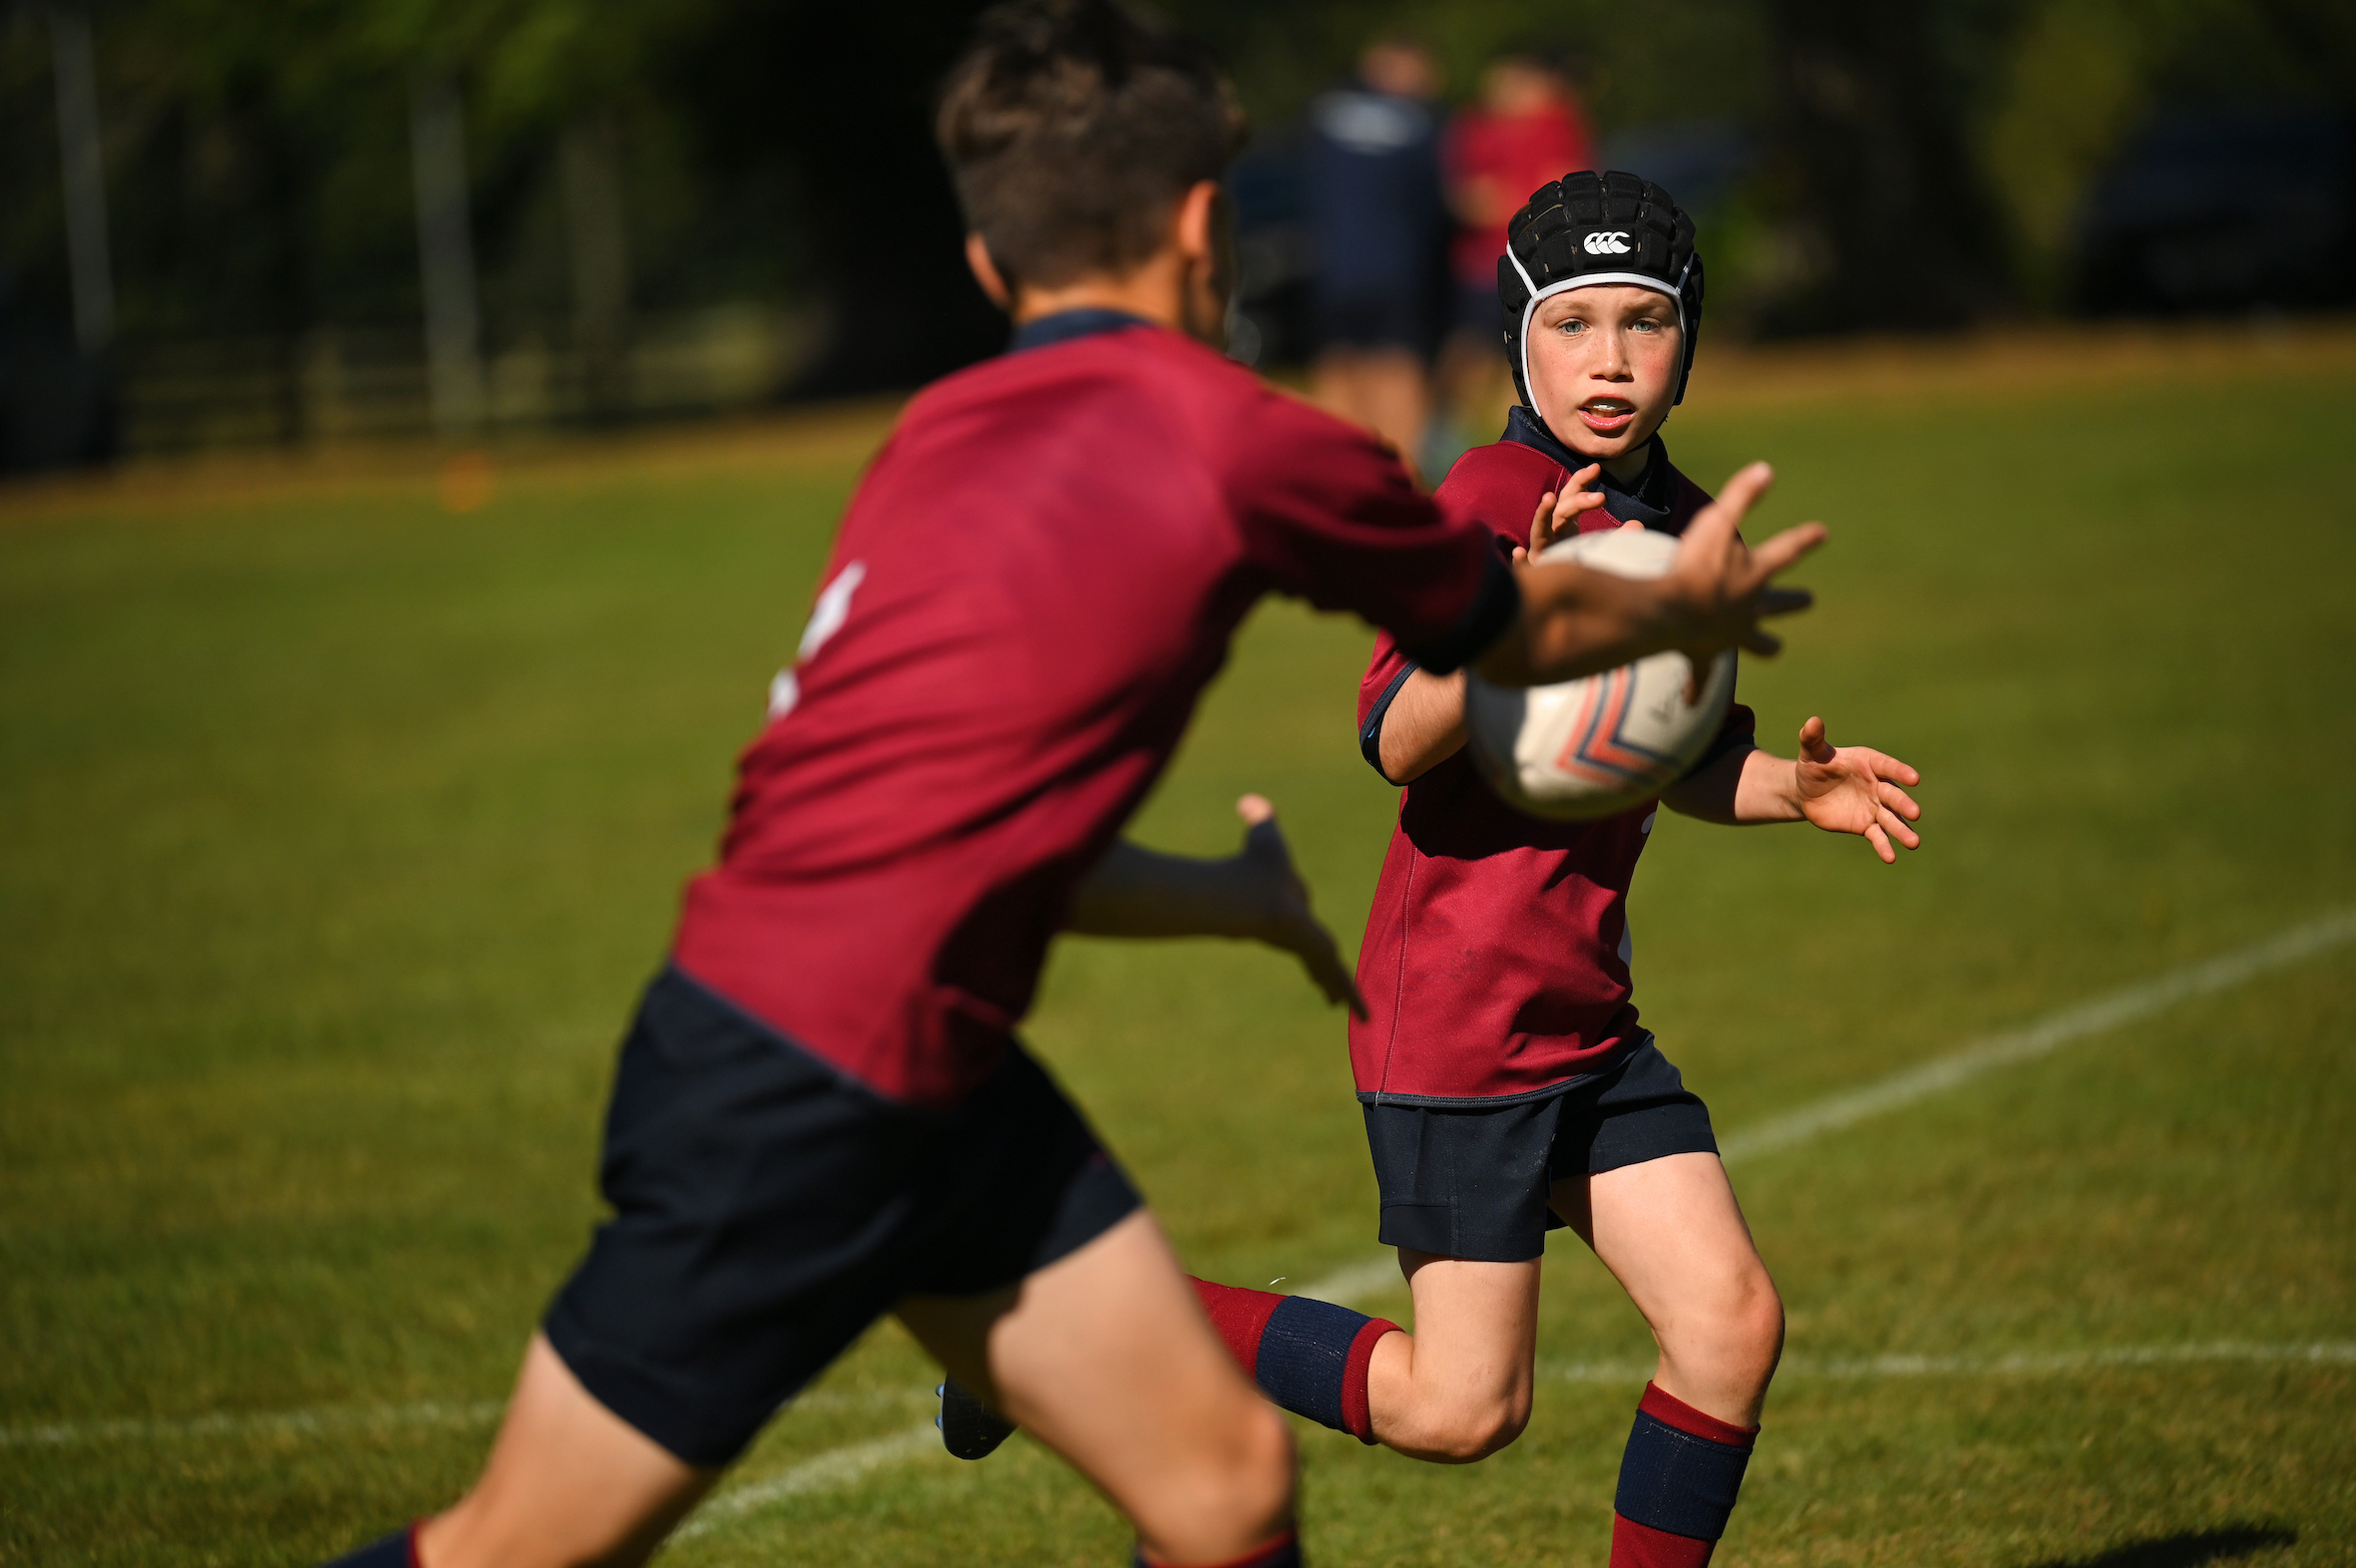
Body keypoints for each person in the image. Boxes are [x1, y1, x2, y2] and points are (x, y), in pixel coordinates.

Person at [315, 16, 1825, 1564]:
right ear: (1199, 229)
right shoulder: (1243, 442)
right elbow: (1488, 647)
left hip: (891, 1050)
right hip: (794, 1086)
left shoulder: (928, 435)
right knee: (515, 1548)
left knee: (1225, 1486)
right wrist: (1661, 597)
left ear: (986, 270)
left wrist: (1212, 896)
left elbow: (899, 824)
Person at [1180, 173, 1925, 1568]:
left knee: (1727, 1326)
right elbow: (1394, 740)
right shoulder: (1487, 494)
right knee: (1460, 1410)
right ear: (1513, 338)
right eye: (1570, 323)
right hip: (1456, 1020)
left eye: (1642, 325)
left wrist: (1788, 789)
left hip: (1582, 1015)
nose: (1607, 360)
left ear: (1686, 342)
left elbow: (1669, 751)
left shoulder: (1682, 524)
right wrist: (1505, 625)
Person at [1434, 54, 1594, 459]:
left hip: (1539, 263)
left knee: (1532, 352)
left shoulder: (1556, 122)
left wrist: (1509, 200)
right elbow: (1467, 195)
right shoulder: (1475, 127)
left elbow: (1563, 187)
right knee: (1471, 351)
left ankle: (1530, 439)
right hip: (1483, 262)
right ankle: (1443, 435)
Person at [1303, 37, 1447, 465]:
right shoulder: (1417, 123)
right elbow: (1434, 203)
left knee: (1338, 365)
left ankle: (1337, 472)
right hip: (1396, 267)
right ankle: (1400, 481)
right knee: (1398, 369)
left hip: (1333, 266)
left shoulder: (1325, 113)